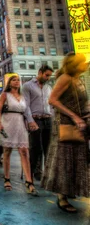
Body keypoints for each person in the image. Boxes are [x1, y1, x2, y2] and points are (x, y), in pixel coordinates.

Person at [42, 53, 90, 213]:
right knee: (65, 159)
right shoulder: (66, 78)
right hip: (66, 124)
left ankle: (70, 190)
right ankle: (61, 196)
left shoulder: (79, 79)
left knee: (78, 157)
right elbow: (53, 100)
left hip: (80, 123)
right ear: (74, 65)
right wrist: (74, 116)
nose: (85, 64)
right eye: (82, 62)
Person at [0, 75, 38, 194]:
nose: (16, 82)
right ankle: (7, 178)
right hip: (7, 122)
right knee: (7, 151)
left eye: (18, 80)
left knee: (24, 151)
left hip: (20, 124)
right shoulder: (4, 95)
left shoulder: (23, 96)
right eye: (14, 80)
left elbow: (27, 111)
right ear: (9, 83)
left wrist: (31, 122)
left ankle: (29, 181)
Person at [22, 65, 53, 181]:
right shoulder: (27, 86)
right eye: (47, 75)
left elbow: (51, 105)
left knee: (48, 148)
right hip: (36, 120)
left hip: (48, 119)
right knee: (36, 148)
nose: (48, 78)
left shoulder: (48, 88)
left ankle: (47, 174)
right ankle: (34, 173)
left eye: (50, 76)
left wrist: (53, 118)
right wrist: (30, 121)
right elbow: (26, 105)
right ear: (40, 72)